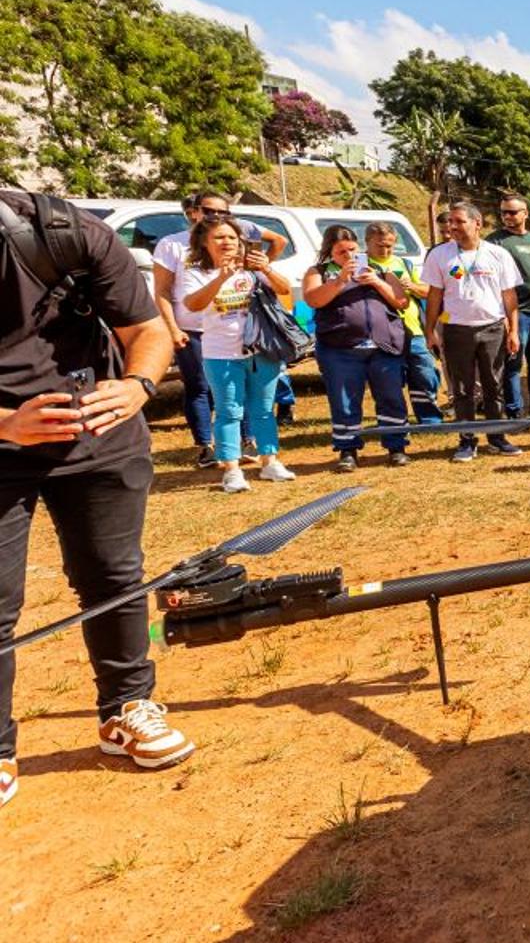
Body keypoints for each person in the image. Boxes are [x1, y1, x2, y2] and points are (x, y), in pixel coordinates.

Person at [1, 191, 192, 809]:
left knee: (113, 577)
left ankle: (127, 709)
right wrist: (6, 424)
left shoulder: (61, 232)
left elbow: (147, 331)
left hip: (99, 435)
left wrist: (137, 387)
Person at [150, 192, 287, 467]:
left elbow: (279, 285)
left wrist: (266, 266)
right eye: (210, 211)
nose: (217, 218)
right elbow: (163, 292)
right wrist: (172, 328)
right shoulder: (172, 245)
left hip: (244, 333)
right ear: (193, 212)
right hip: (193, 329)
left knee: (247, 392)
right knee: (201, 388)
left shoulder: (241, 249)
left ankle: (247, 442)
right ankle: (207, 446)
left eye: (224, 214)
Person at [179, 211, 298, 492]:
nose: (227, 242)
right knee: (229, 411)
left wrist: (266, 268)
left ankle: (269, 462)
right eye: (219, 237)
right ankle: (231, 469)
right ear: (204, 242)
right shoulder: (195, 272)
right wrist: (220, 278)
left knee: (264, 409)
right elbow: (193, 304)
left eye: (232, 237)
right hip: (221, 352)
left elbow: (283, 290)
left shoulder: (253, 268)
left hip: (261, 350)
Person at [423, 201, 523, 463]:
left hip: (492, 329)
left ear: (477, 223)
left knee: (493, 385)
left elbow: (510, 296)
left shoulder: (498, 255)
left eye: (459, 221)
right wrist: (430, 330)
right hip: (456, 330)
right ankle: (467, 440)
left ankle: (497, 437)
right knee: (462, 388)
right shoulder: (440, 255)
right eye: (450, 222)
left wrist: (513, 331)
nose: (452, 226)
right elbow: (434, 296)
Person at [305, 225, 411, 471]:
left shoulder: (378, 270)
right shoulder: (319, 272)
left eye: (352, 250)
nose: (349, 256)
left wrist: (377, 282)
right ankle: (347, 450)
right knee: (344, 400)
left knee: (391, 396)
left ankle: (396, 446)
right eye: (342, 252)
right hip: (339, 348)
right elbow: (314, 299)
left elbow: (401, 302)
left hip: (383, 346)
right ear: (330, 252)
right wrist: (341, 279)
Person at [364, 220, 443, 426]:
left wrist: (412, 286)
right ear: (367, 242)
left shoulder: (403, 264)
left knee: (426, 374)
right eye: (379, 245)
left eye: (389, 245)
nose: (385, 250)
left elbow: (429, 291)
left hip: (413, 330)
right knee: (388, 380)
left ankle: (430, 419)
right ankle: (395, 423)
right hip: (382, 334)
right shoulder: (362, 266)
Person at [488, 194, 530, 418]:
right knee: (513, 366)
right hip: (517, 314)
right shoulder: (495, 241)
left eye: (512, 212)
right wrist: (506, 318)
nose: (507, 216)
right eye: (503, 212)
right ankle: (514, 411)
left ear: (526, 213)